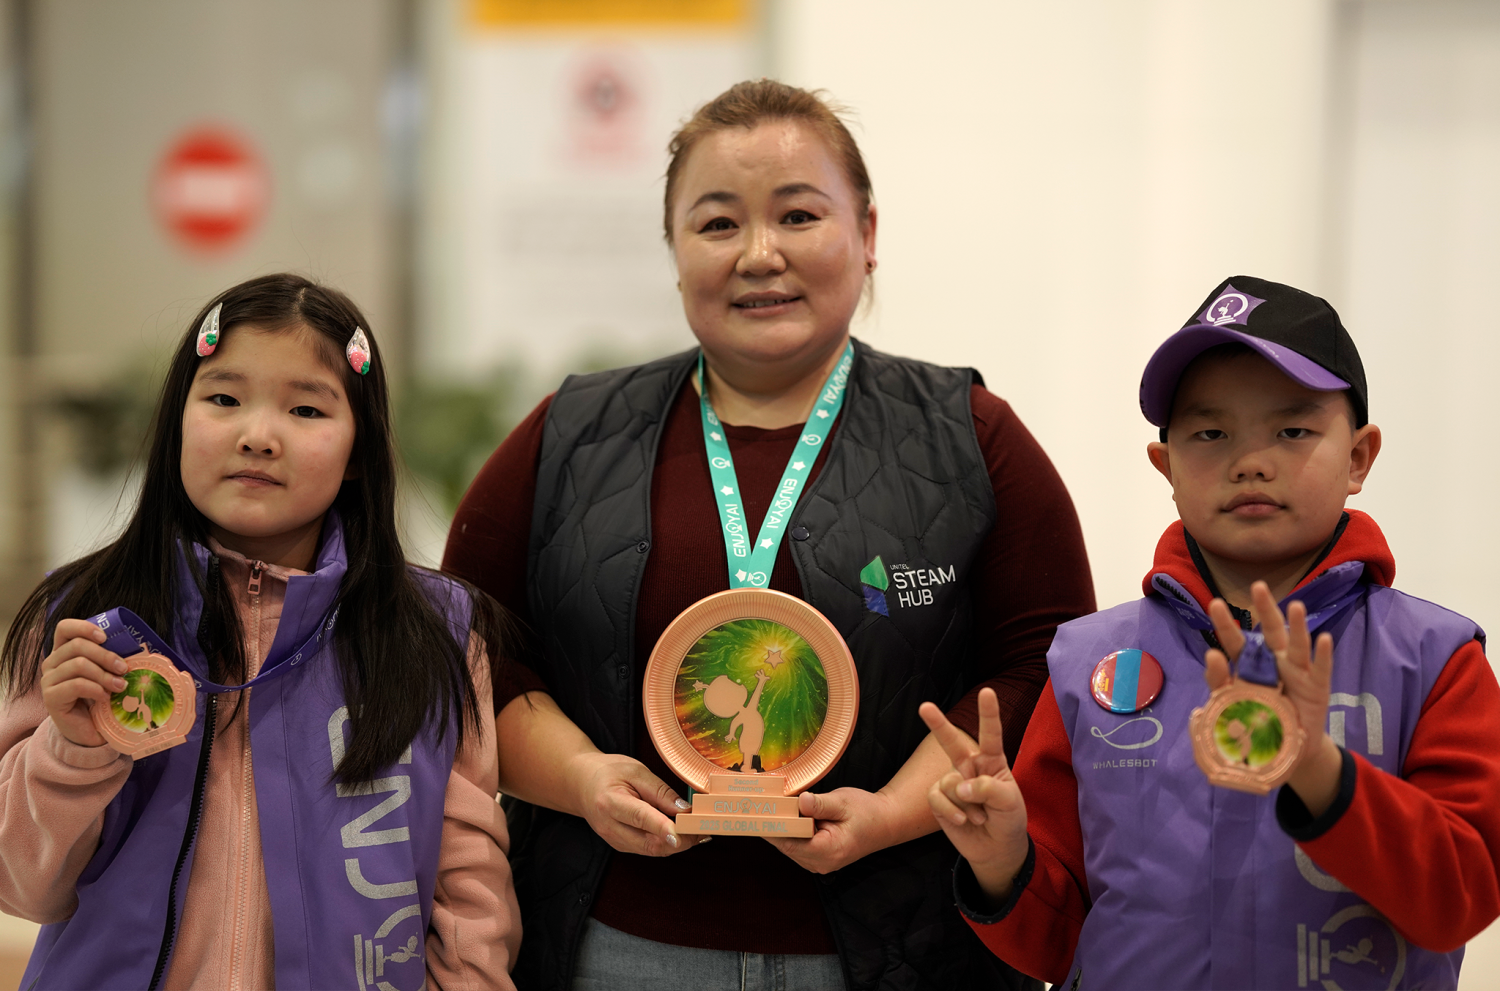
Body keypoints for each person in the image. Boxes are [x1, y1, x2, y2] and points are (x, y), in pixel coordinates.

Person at [443, 79, 1094, 990]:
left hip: (902, 950)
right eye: (718, 224)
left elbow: (1041, 662)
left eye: (798, 215)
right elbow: (468, 649)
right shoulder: (572, 433)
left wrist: (892, 812)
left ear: (867, 234)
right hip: (615, 949)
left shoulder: (970, 436)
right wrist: (583, 777)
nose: (759, 254)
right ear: (675, 252)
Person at [921, 276, 1500, 989]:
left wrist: (1321, 770)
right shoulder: (1088, 661)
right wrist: (1002, 862)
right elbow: (1064, 942)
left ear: (1359, 457)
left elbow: (1460, 899)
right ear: (1165, 466)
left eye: (1292, 430)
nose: (1249, 460)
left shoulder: (1435, 658)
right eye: (1211, 433)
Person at [0, 274, 520, 989]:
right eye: (224, 399)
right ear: (177, 421)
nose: (257, 436)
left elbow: (469, 887)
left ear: (359, 453)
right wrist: (73, 751)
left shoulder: (435, 633)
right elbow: (22, 887)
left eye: (306, 408)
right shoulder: (84, 619)